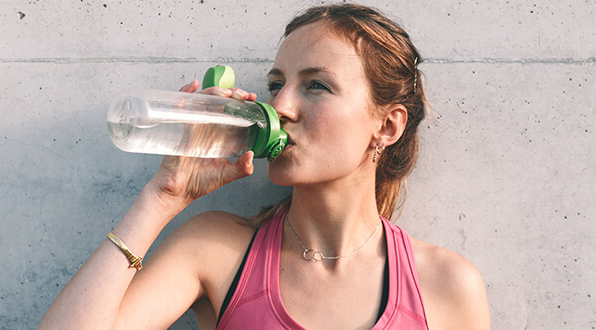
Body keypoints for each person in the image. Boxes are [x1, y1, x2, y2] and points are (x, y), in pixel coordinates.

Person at [40, 4, 489, 329]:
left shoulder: (446, 285)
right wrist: (162, 197)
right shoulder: (215, 248)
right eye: (277, 84)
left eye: (316, 85)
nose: (281, 106)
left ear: (387, 126)